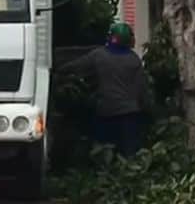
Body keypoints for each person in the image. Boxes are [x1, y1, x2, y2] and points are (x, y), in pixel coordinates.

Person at [60, 21, 152, 158]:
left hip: (106, 113)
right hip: (129, 115)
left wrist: (58, 71)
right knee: (130, 155)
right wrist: (147, 109)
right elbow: (142, 89)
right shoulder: (134, 60)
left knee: (105, 154)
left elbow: (75, 67)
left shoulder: (99, 55)